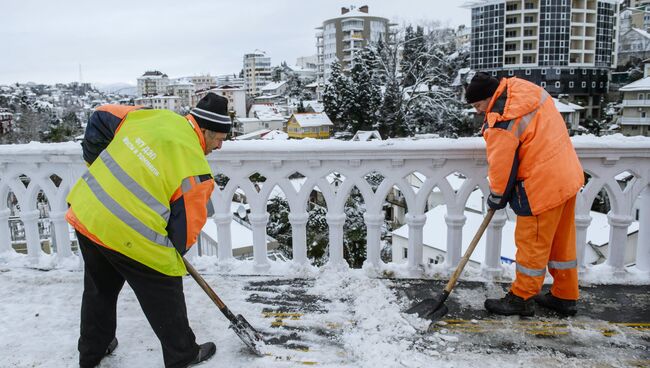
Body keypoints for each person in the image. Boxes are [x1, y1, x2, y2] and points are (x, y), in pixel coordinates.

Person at [65, 93, 231, 367]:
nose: (219, 146)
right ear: (204, 130)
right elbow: (183, 236)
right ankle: (183, 354)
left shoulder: (151, 116)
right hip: (126, 233)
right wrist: (163, 260)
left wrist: (99, 168)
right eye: (219, 139)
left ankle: (92, 351)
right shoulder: (197, 170)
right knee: (166, 284)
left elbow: (99, 116)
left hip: (89, 210)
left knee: (99, 288)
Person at [464, 72, 584, 317]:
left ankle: (522, 297)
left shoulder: (502, 119)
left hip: (541, 185)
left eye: (478, 105)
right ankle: (565, 295)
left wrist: (497, 196)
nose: (478, 112)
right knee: (561, 242)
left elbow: (501, 163)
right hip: (566, 173)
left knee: (532, 244)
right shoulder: (523, 89)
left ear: (490, 96)